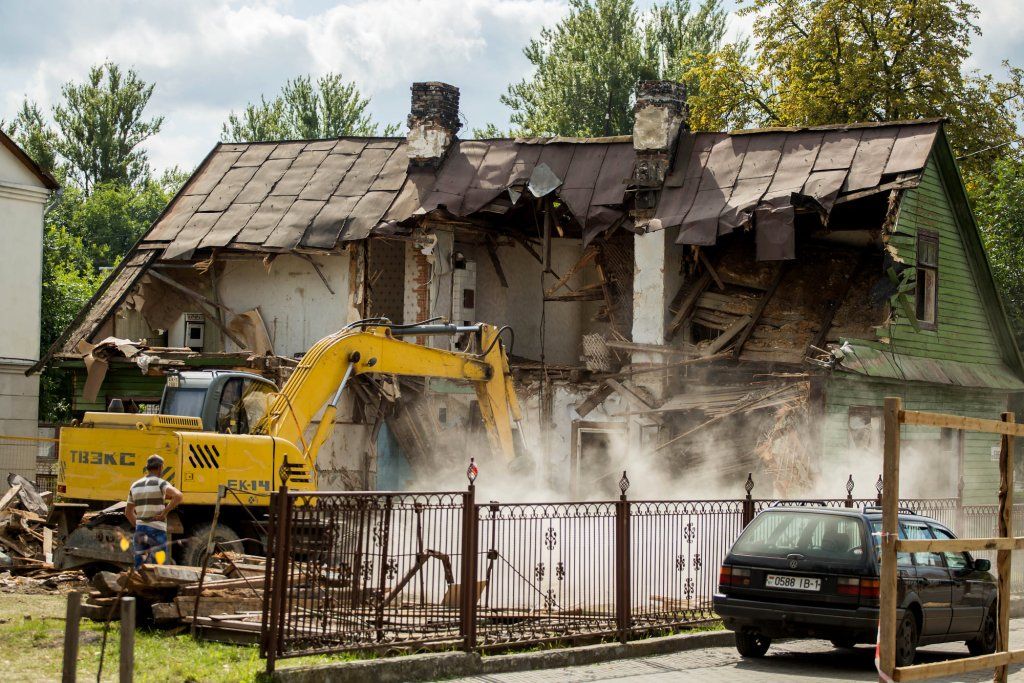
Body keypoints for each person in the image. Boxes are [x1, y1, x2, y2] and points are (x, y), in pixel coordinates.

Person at [125, 454, 183, 568]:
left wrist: (138, 525)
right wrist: (164, 513)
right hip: (157, 529)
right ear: (161, 467)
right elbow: (178, 496)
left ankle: (139, 584)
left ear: (147, 467)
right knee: (158, 567)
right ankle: (155, 585)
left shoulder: (135, 485)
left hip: (140, 529)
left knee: (139, 566)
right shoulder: (160, 483)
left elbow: (128, 512)